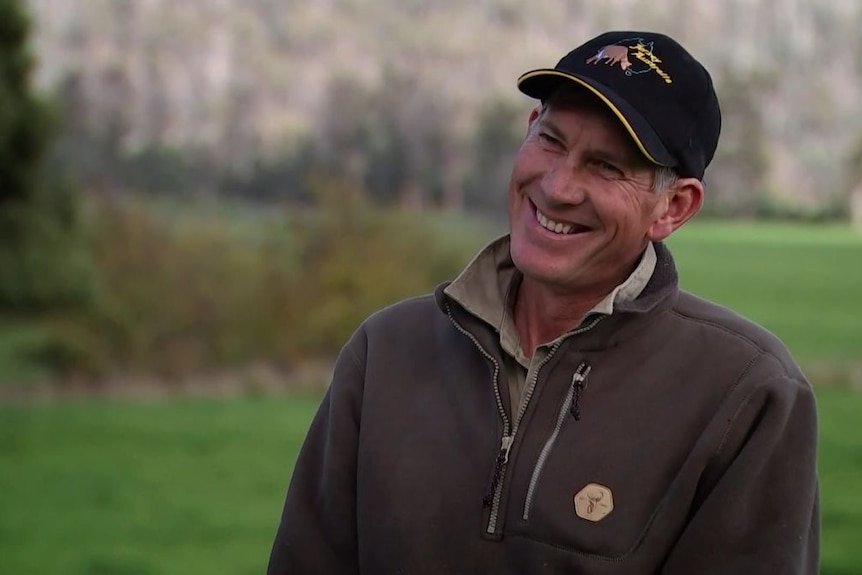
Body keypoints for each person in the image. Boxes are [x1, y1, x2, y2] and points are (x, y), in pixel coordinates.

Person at [267, 30, 819, 574]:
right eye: (551, 141)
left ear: (674, 207)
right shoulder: (385, 351)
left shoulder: (749, 395)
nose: (557, 187)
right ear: (529, 130)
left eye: (607, 166)